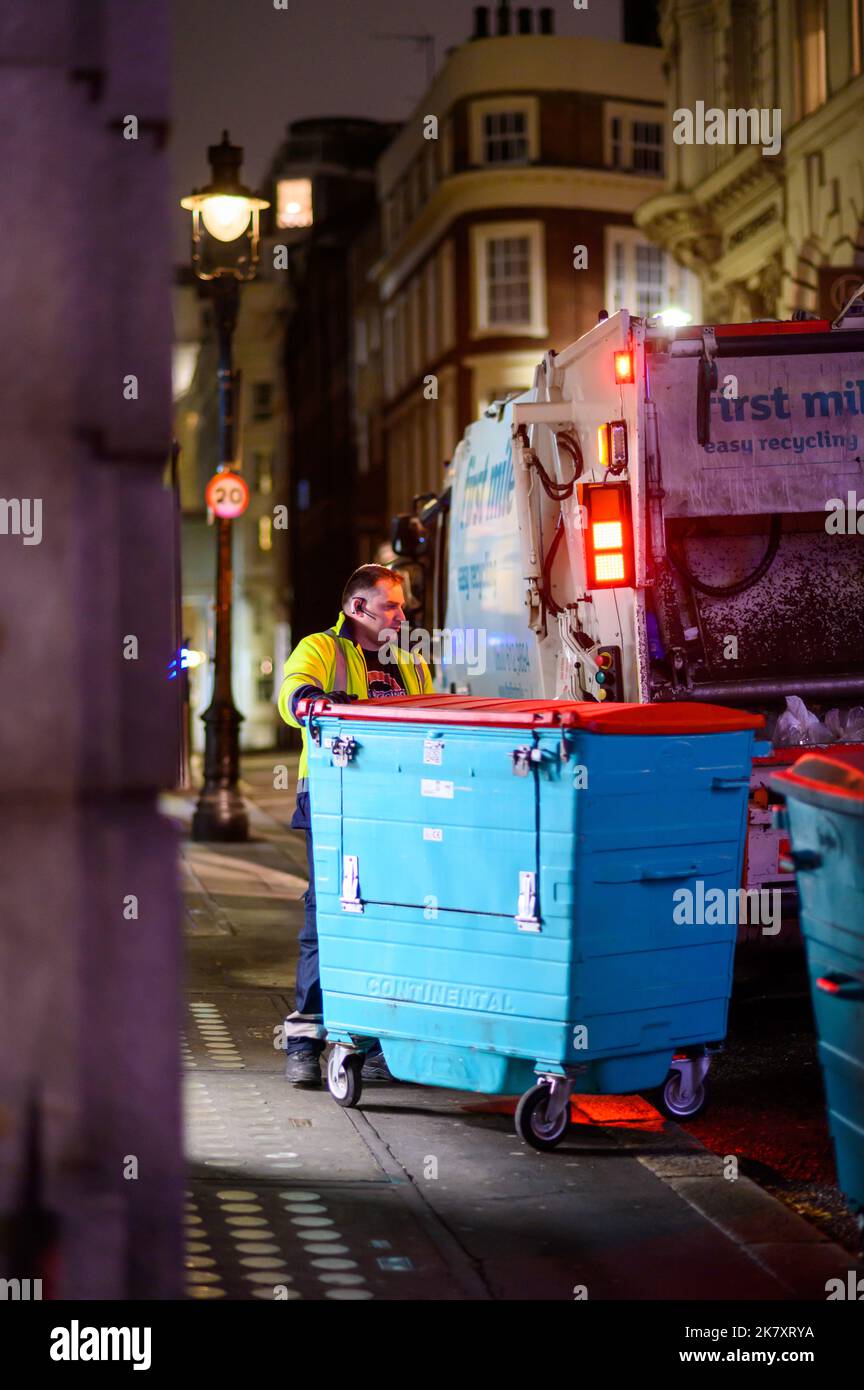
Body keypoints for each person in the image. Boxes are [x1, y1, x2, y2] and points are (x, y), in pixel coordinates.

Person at [277, 564, 435, 1086]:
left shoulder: (411, 664)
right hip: (334, 797)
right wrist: (315, 703)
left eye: (402, 605)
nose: (401, 614)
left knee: (389, 914)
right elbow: (293, 697)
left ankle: (372, 1042)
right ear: (357, 608)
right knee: (326, 915)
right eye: (390, 605)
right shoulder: (320, 649)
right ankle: (304, 1040)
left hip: (395, 803)